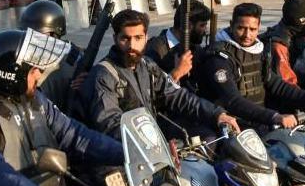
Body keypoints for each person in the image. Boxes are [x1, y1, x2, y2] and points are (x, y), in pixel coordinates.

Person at [0, 28, 123, 186]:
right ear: (11, 76)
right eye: (33, 71)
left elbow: (74, 134)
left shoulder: (34, 99)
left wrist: (126, 152)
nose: (39, 75)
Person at [82, 9, 238, 141]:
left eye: (138, 38)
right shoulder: (104, 74)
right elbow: (110, 124)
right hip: (123, 153)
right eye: (125, 38)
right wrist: (154, 142)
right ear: (115, 38)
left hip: (153, 142)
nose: (132, 45)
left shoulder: (147, 65)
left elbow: (177, 95)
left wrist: (216, 114)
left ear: (146, 37)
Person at [197, 3, 305, 129]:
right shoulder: (218, 57)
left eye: (252, 29)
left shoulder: (258, 49)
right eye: (241, 28)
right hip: (233, 127)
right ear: (231, 24)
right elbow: (232, 100)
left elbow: (277, 85)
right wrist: (274, 117)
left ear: (258, 28)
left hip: (261, 122)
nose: (247, 35)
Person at [17, 0, 83, 114]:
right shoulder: (76, 54)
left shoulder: (75, 58)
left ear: (54, 34)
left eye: (37, 36)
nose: (32, 40)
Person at [145, 0, 211, 86]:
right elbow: (151, 89)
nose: (205, 30)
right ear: (187, 26)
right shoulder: (154, 50)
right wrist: (176, 73)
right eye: (202, 25)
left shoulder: (196, 49)